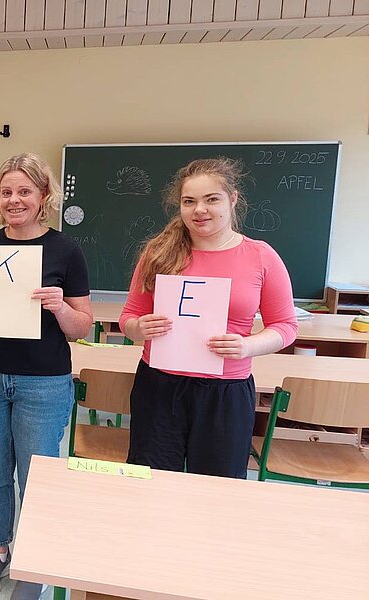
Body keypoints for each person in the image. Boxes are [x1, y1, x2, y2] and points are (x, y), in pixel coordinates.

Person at [0, 154, 92, 600]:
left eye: (25, 191)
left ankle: (34, 561)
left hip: (44, 382)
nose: (14, 200)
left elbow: (82, 326)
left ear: (43, 197)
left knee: (36, 476)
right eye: (7, 192)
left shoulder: (66, 251)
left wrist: (60, 306)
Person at [119, 157, 297, 478]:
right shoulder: (158, 252)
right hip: (159, 386)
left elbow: (285, 326)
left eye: (211, 199)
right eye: (189, 201)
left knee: (218, 490)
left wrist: (248, 346)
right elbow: (130, 317)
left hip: (225, 392)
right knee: (151, 484)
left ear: (233, 199)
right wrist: (139, 328)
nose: (199, 210)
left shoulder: (261, 255)